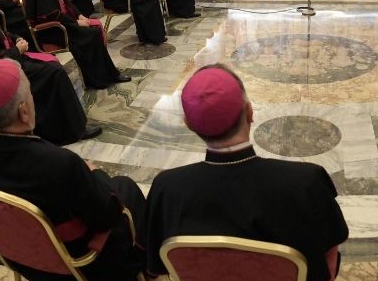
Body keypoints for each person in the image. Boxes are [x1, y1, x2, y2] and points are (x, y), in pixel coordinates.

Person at [143, 65, 349, 281]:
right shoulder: (307, 182)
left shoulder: (166, 189)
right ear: (250, 113)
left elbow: (159, 266)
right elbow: (328, 259)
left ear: (189, 124)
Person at [0, 59, 146, 281]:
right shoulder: (61, 164)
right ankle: (146, 264)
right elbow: (105, 215)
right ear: (24, 111)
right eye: (30, 93)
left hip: (19, 255)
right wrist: (94, 172)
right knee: (126, 187)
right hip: (76, 263)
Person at [0, 0, 98, 144]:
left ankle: (71, 125)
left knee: (54, 69)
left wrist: (15, 38)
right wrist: (17, 51)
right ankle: (72, 130)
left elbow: (1, 33)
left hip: (10, 61)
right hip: (4, 72)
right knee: (55, 74)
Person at [25, 0, 131, 90]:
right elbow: (54, 15)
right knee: (91, 35)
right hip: (52, 31)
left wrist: (79, 15)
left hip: (63, 25)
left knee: (94, 32)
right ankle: (98, 79)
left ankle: (109, 74)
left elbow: (65, 2)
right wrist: (76, 23)